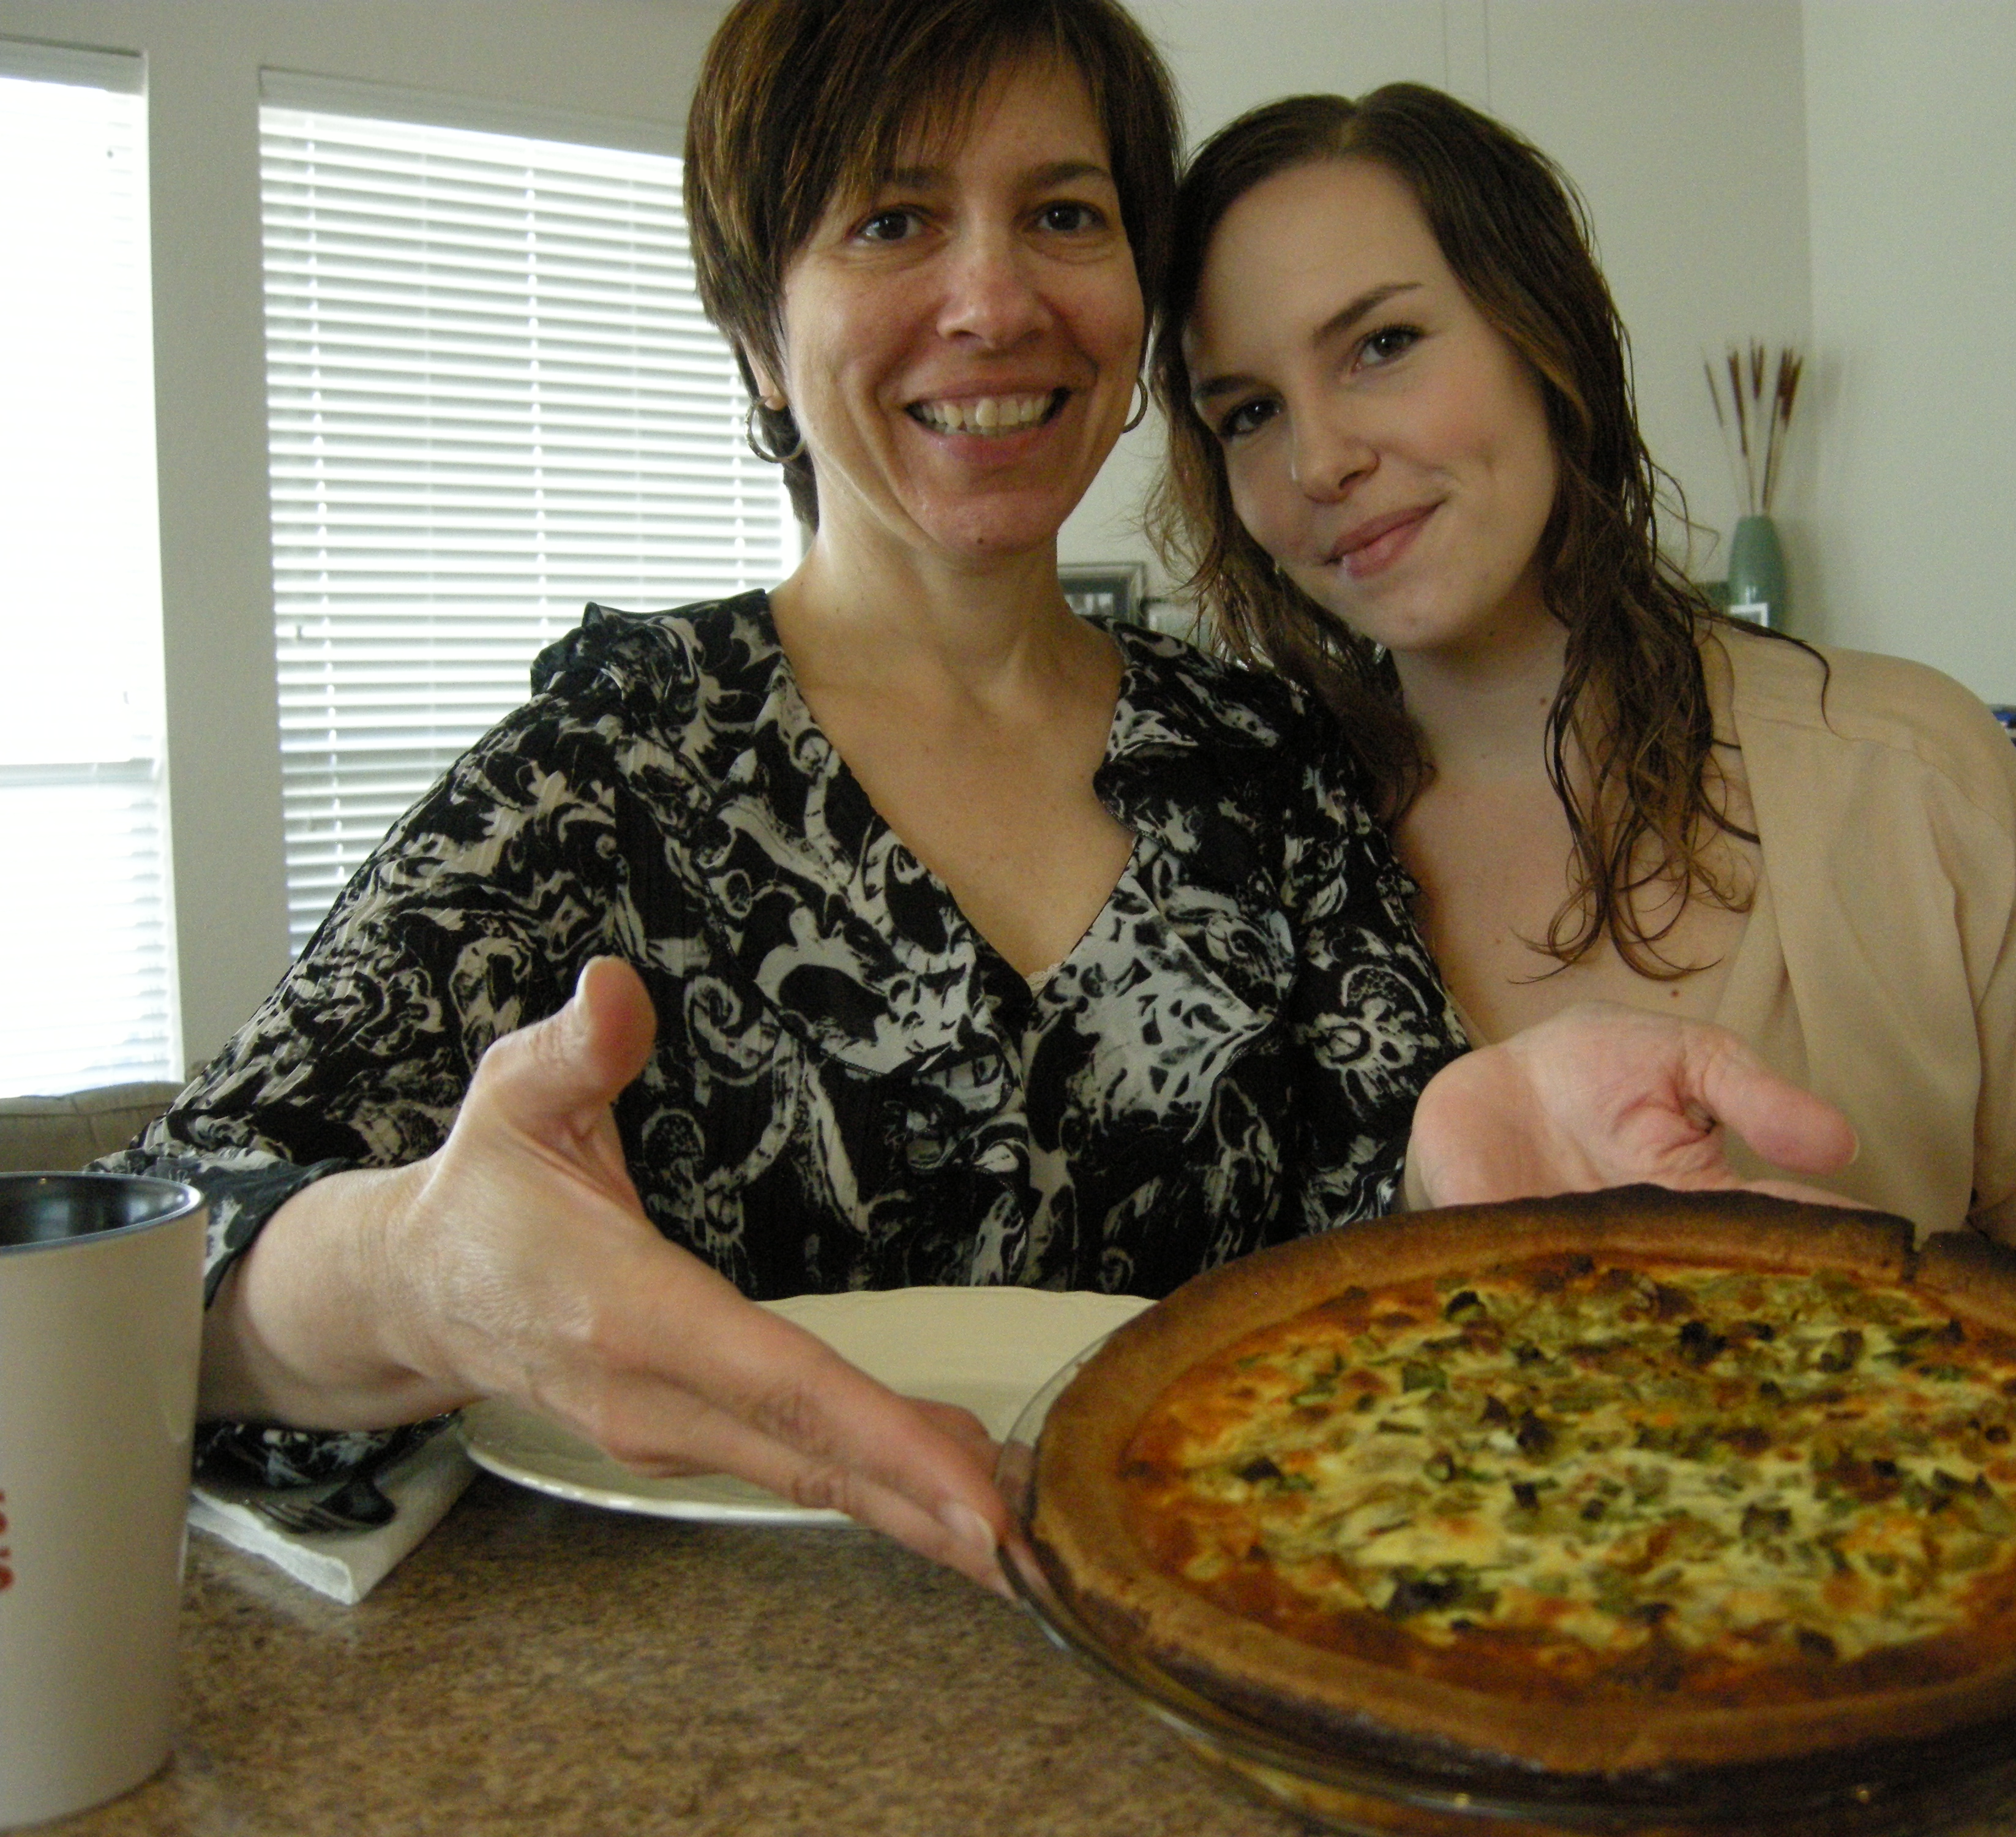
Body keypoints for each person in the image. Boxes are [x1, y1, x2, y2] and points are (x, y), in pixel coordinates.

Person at [100, 6, 1860, 1594]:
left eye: (1065, 214)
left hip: (1214, 1682)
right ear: (759, 333)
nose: (996, 300)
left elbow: (1383, 1242)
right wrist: (407, 1276)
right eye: (892, 221)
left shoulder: (1269, 761)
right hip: (712, 1738)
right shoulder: (607, 760)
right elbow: (131, 1272)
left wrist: (1481, 1170)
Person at [1150, 83, 2016, 1274]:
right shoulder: (1223, 858)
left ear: (1543, 333)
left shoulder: (1907, 776)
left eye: (1381, 344)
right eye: (1248, 411)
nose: (1318, 459)